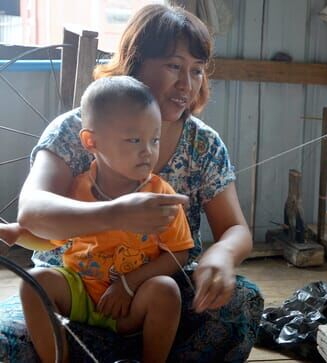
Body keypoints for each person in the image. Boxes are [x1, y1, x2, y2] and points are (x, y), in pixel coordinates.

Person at [0, 4, 263, 362]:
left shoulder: (203, 143)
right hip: (72, 292)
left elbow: (235, 228)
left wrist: (221, 255)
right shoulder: (74, 130)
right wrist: (115, 214)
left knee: (241, 304)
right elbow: (32, 211)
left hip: (152, 300)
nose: (186, 84)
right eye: (174, 66)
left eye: (197, 71)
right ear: (136, 62)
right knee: (5, 339)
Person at [19, 76, 195, 363]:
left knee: (166, 290)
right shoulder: (76, 189)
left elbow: (179, 252)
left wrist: (128, 285)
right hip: (79, 294)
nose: (147, 151)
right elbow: (51, 239)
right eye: (134, 140)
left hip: (131, 304)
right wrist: (17, 234)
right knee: (35, 282)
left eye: (155, 139)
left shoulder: (159, 195)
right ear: (91, 141)